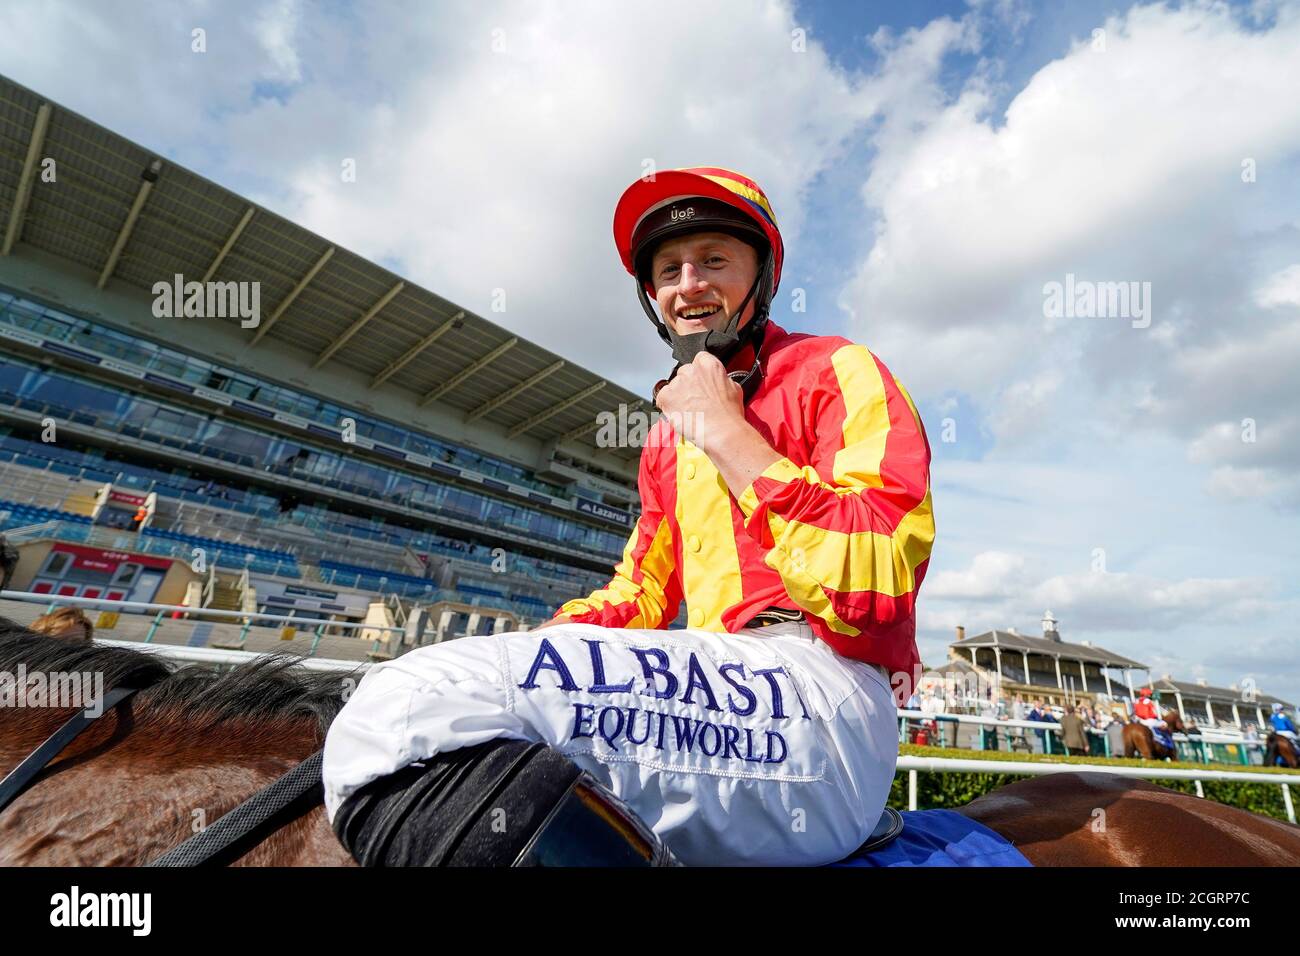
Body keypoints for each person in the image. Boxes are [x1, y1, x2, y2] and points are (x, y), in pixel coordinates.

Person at [321, 166, 935, 866]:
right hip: (717, 690)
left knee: (399, 711)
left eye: (713, 260)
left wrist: (730, 436)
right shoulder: (666, 439)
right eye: (668, 270)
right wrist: (526, 653)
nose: (688, 284)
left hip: (827, 693)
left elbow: (881, 581)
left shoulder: (839, 369)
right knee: (436, 694)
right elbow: (638, 594)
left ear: (761, 275)